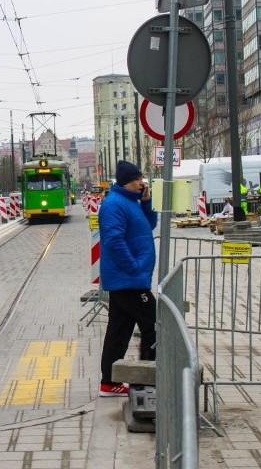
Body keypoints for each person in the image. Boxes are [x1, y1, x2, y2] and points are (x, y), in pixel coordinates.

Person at [97, 160, 158, 397]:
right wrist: (133, 267)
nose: (142, 182)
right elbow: (113, 240)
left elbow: (150, 224)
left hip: (130, 278)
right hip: (128, 279)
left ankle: (109, 383)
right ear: (126, 181)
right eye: (138, 179)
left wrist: (146, 202)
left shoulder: (132, 202)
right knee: (154, 324)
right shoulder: (114, 204)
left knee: (119, 330)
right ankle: (148, 380)